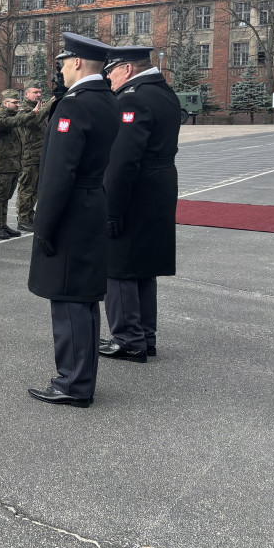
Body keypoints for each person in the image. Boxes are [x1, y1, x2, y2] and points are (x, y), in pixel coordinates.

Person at [28, 33, 119, 407]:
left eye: (64, 62)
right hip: (92, 202)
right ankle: (80, 378)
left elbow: (58, 174)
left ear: (78, 62)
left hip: (70, 210)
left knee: (68, 299)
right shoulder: (107, 100)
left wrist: (44, 225)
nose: (61, 70)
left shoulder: (74, 106)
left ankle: (73, 383)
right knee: (84, 297)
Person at [100, 45, 181, 362]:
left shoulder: (132, 98)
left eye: (111, 71)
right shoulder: (164, 92)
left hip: (135, 191)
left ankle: (128, 339)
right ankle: (145, 336)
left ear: (127, 68)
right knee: (144, 267)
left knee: (118, 267)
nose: (108, 77)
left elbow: (122, 162)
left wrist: (112, 209)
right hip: (159, 187)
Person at [0, 89, 40, 239]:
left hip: (14, 164)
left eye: (18, 102)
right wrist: (32, 113)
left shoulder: (13, 115)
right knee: (0, 196)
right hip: (3, 163)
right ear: (5, 103)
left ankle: (3, 225)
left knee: (6, 197)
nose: (18, 105)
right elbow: (11, 122)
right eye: (14, 102)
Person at [16, 81, 53, 232]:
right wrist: (50, 104)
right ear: (26, 94)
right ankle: (23, 218)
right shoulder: (24, 110)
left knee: (36, 189)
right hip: (29, 156)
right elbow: (33, 121)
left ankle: (30, 216)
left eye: (39, 92)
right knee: (26, 188)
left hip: (40, 155)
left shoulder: (39, 108)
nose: (38, 95)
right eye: (35, 92)